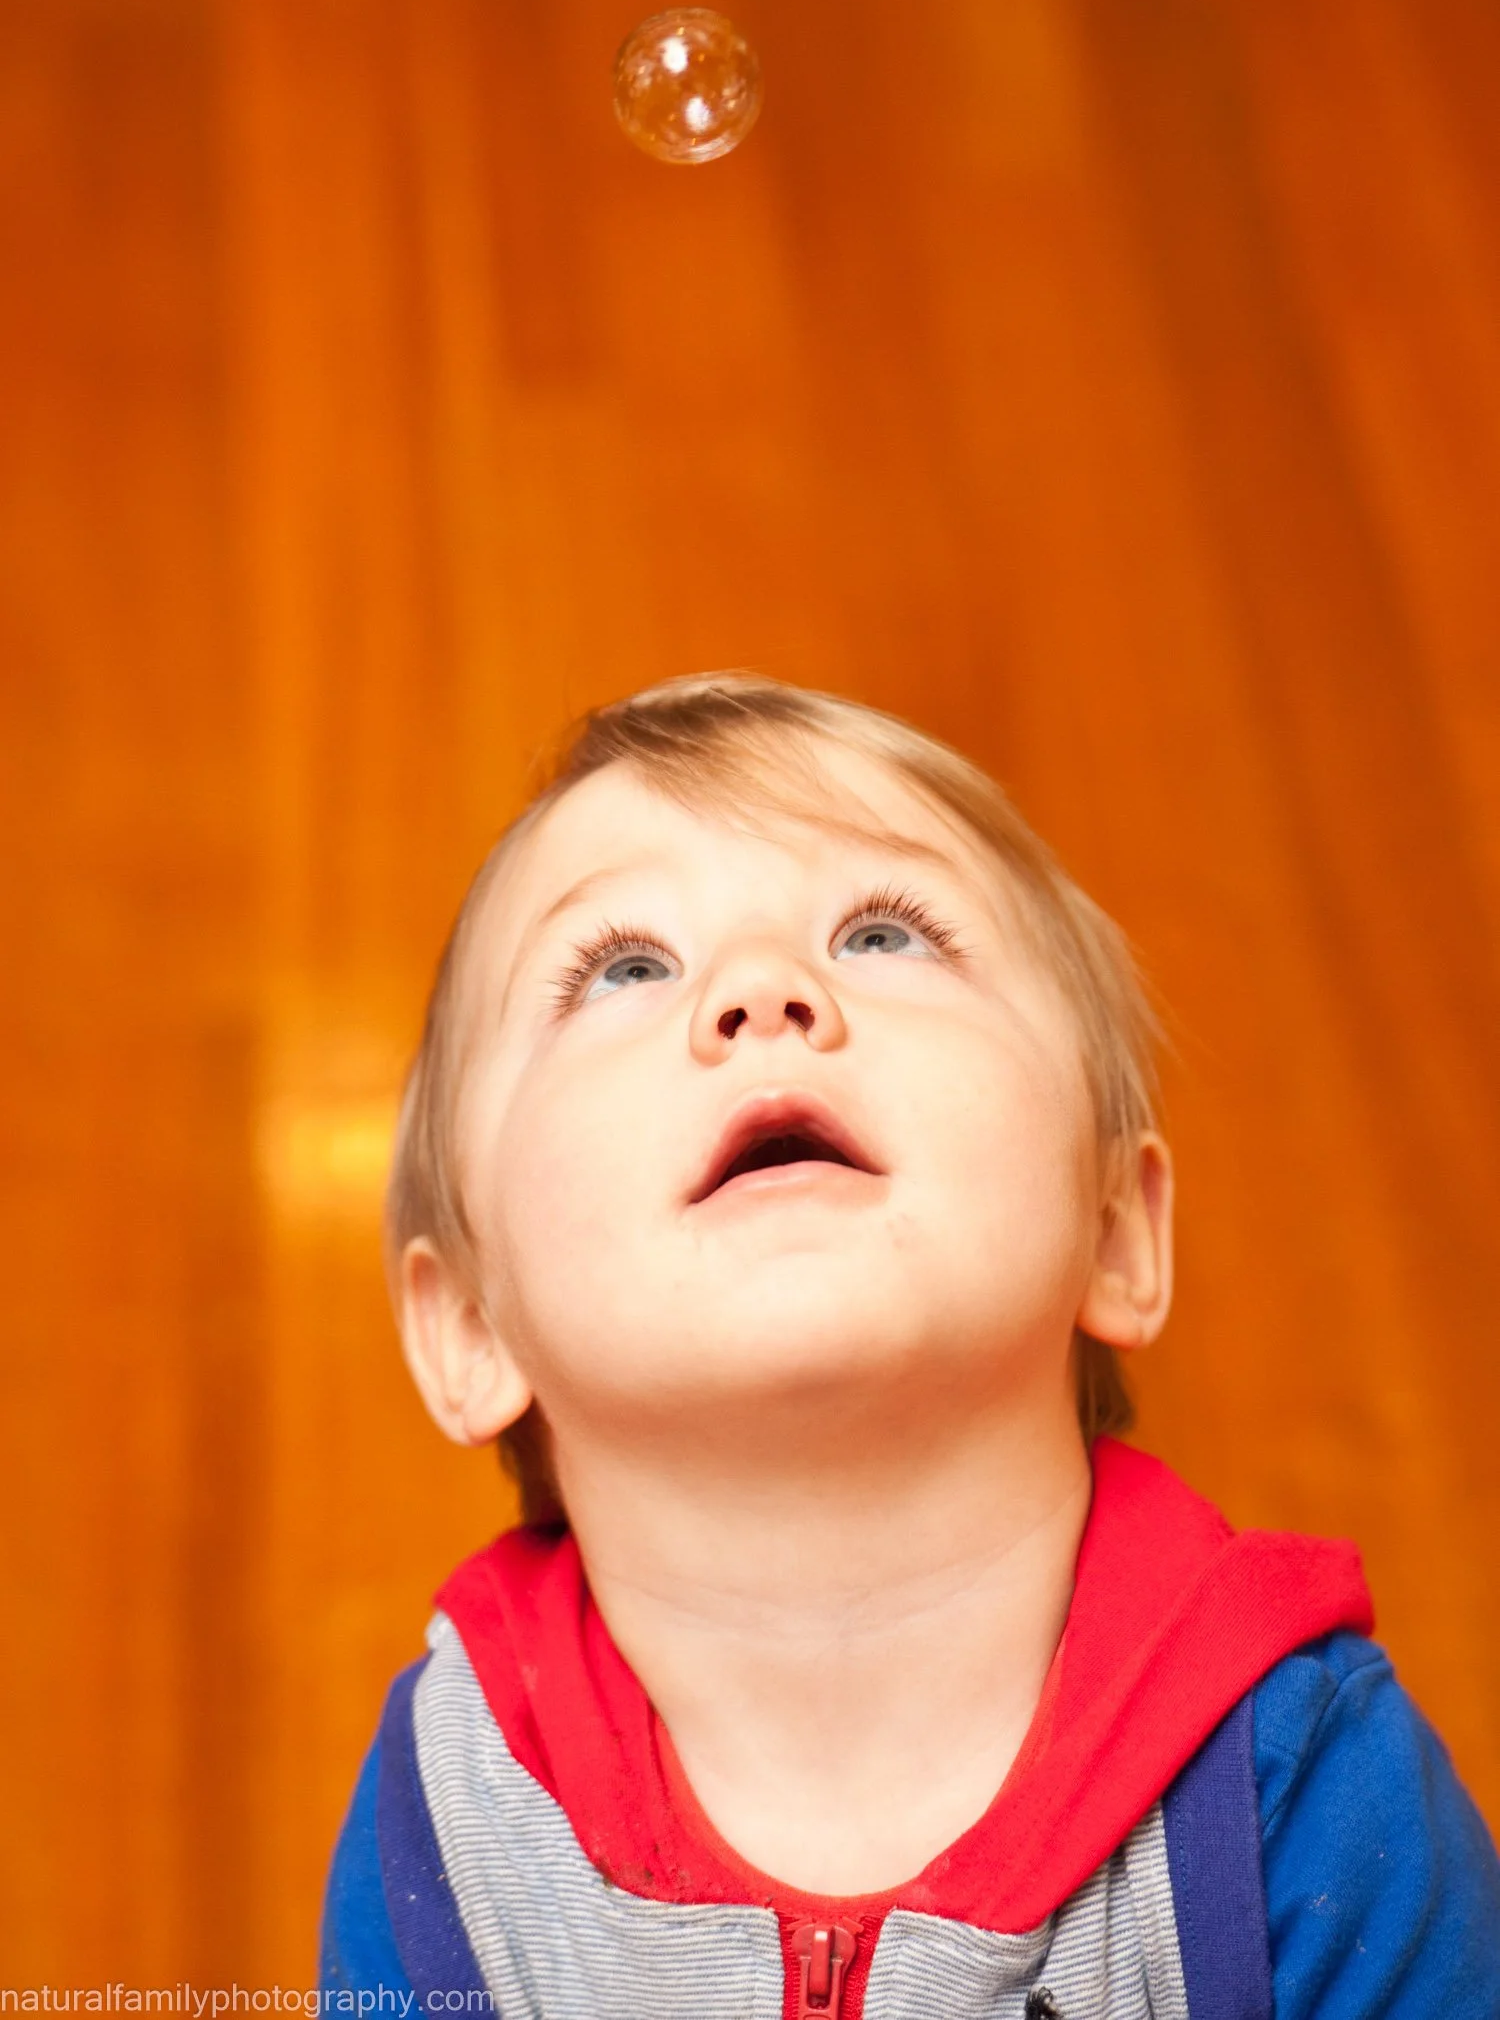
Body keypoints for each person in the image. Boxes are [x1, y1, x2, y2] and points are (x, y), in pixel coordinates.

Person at [321, 672, 1500, 2017]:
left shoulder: (1303, 1791)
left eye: (883, 932)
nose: (764, 989)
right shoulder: (458, 1833)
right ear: (470, 1324)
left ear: (1116, 1227)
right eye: (624, 965)